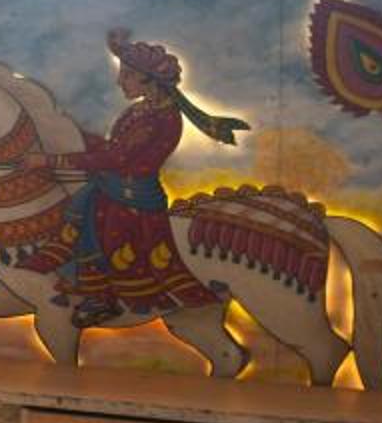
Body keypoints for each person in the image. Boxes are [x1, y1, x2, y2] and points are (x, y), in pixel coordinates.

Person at [39, 29, 246, 328]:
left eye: (127, 75)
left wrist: (54, 161)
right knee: (82, 202)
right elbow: (113, 148)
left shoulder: (160, 118)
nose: (119, 81)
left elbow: (117, 157)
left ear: (149, 80)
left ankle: (102, 298)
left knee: (95, 223)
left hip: (132, 194)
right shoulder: (142, 109)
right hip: (114, 183)